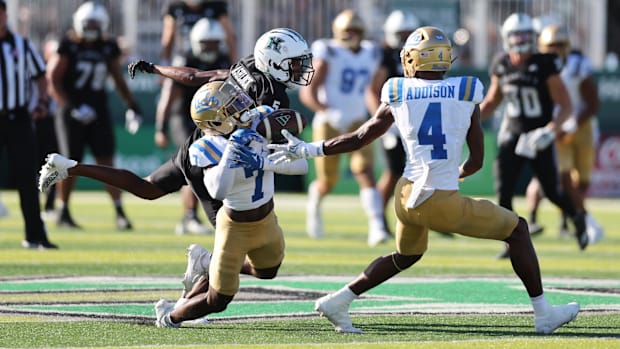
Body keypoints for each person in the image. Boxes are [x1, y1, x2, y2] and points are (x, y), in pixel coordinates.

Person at [267, 26, 580, 335]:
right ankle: (543, 314)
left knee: (407, 255)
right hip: (438, 198)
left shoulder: (397, 90)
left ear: (414, 59)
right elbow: (476, 161)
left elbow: (361, 137)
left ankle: (339, 300)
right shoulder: (466, 90)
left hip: (405, 195)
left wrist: (308, 149)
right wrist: (457, 172)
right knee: (518, 230)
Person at [153, 88, 308, 328]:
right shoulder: (205, 146)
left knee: (268, 271)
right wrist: (231, 154)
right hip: (234, 228)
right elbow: (218, 192)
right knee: (218, 300)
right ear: (216, 121)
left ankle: (206, 261)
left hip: (267, 219)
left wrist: (264, 161)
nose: (244, 108)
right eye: (233, 107)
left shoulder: (261, 119)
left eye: (239, 102)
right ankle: (170, 317)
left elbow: (302, 166)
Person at [478, 13, 587, 256]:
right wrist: (470, 117)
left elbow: (566, 105)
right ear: (507, 38)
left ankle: (576, 217)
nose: (520, 40)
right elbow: (492, 101)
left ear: (534, 36)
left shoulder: (545, 63)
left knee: (551, 191)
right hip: (513, 134)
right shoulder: (502, 63)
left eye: (525, 35)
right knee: (503, 191)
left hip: (539, 135)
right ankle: (510, 242)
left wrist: (550, 130)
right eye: (516, 35)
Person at [46, 1, 144, 230]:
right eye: (87, 23)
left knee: (106, 160)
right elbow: (53, 80)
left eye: (95, 23)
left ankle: (119, 211)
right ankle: (63, 211)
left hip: (98, 109)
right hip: (71, 110)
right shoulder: (68, 45)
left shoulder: (107, 46)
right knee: (69, 161)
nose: (91, 28)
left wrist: (132, 104)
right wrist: (71, 108)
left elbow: (118, 78)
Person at [299, 8, 388, 246]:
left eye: (355, 31)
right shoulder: (328, 51)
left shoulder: (371, 52)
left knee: (365, 172)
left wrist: (379, 115)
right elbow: (307, 91)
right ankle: (315, 202)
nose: (352, 35)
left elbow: (373, 89)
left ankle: (377, 225)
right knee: (328, 181)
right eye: (347, 31)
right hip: (329, 122)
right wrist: (326, 110)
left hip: (358, 119)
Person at [524, 24, 602, 241]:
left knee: (582, 182)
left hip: (581, 126)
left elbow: (593, 103)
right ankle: (581, 218)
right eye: (550, 45)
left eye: (559, 45)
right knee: (564, 177)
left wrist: (574, 123)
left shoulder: (578, 65)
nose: (555, 49)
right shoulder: (537, 66)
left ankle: (572, 216)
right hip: (555, 127)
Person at [155, 18, 231, 235]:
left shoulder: (224, 59)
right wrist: (161, 127)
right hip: (185, 119)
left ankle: (212, 215)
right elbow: (169, 96)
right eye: (206, 42)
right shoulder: (186, 59)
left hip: (214, 123)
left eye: (214, 43)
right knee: (194, 164)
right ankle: (189, 216)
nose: (210, 47)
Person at [0, 0, 58, 249]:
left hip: (18, 118)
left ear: (4, 15)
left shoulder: (21, 45)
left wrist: (42, 102)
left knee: (27, 177)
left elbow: (40, 75)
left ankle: (35, 234)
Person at [366, 9, 418, 235]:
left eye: (407, 33)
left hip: (416, 120)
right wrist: (381, 121)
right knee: (393, 171)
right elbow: (372, 90)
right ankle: (378, 218)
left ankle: (425, 215)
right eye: (400, 33)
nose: (403, 38)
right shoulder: (385, 55)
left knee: (420, 170)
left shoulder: (417, 53)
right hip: (395, 122)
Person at [160, 0, 237, 67]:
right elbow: (167, 39)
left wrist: (234, 62)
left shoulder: (216, 5)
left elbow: (229, 37)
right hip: (185, 59)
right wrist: (165, 63)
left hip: (214, 60)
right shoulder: (175, 7)